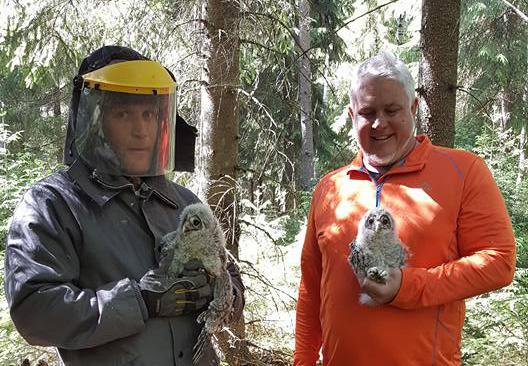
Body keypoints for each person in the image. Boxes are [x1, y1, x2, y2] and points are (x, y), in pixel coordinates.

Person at [4, 46, 245, 366]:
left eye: (148, 114)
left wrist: (220, 291)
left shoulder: (185, 205)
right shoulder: (55, 204)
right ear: (97, 122)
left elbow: (231, 278)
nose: (140, 129)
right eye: (123, 114)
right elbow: (34, 311)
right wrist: (141, 301)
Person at [294, 52, 516, 365]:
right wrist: (302, 360)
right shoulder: (329, 188)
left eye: (392, 110)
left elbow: (499, 261)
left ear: (413, 107)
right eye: (367, 112)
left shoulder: (463, 171)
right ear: (351, 115)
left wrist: (408, 287)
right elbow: (312, 288)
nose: (379, 123)